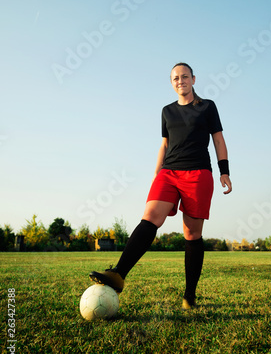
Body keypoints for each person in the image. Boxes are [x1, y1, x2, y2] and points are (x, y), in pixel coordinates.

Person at [90, 62, 232, 310]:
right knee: (150, 216)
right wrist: (157, 173)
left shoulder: (207, 107)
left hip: (198, 174)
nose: (181, 81)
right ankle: (119, 274)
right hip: (169, 173)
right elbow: (165, 145)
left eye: (185, 77)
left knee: (192, 234)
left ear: (194, 79)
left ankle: (190, 295)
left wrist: (224, 172)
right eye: (176, 78)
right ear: (171, 83)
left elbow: (218, 140)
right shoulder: (167, 111)